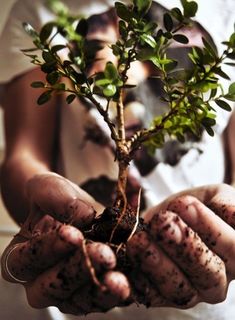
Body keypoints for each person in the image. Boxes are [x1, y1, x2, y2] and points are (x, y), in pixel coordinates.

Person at [1, 0, 235, 319]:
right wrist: (42, 200)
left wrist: (228, 218)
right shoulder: (39, 9)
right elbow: (25, 153)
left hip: (206, 285)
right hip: (77, 268)